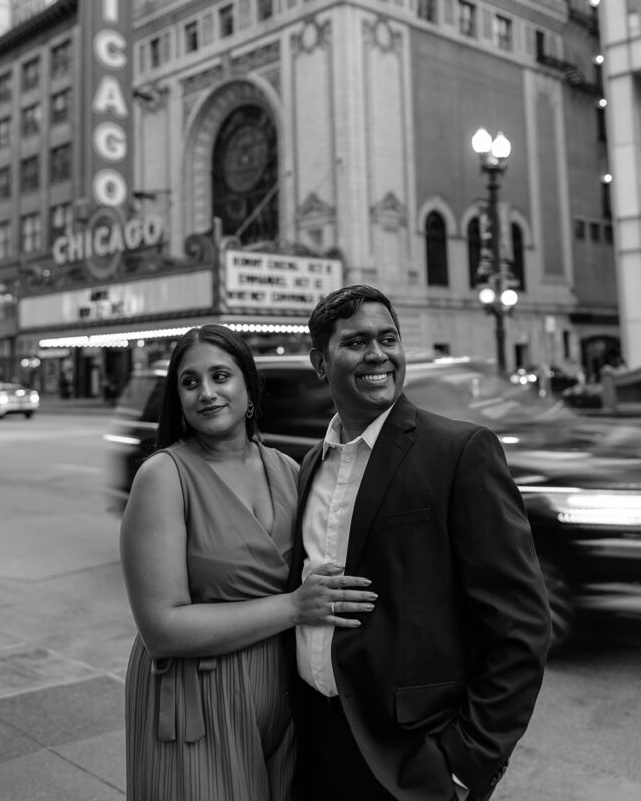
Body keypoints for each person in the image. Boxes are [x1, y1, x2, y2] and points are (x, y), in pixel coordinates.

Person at [290, 286, 552, 801]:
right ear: (320, 363)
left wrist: (465, 763)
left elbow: (520, 627)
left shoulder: (460, 452)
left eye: (388, 338)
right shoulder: (310, 466)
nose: (378, 355)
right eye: (357, 342)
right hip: (316, 743)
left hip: (411, 762)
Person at [120, 324, 376, 801]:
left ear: (249, 387)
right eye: (190, 382)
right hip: (196, 700)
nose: (207, 393)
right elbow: (161, 627)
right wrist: (295, 608)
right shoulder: (163, 475)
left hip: (280, 697)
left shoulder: (288, 468)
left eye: (221, 376)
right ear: (177, 398)